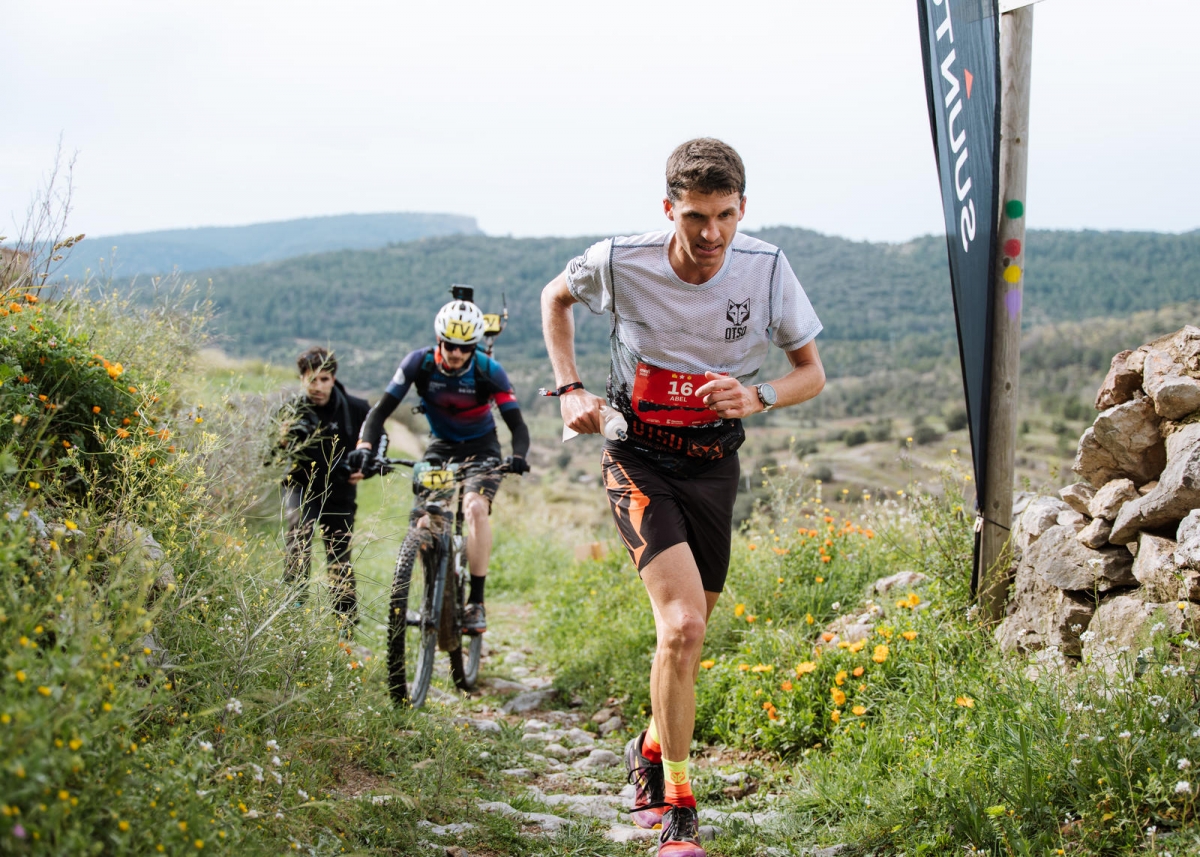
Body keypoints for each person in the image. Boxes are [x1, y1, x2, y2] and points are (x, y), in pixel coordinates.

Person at [540, 138, 824, 856]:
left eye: (725, 216)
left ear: (743, 209)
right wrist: (571, 386)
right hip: (636, 456)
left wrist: (755, 396)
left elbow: (810, 373)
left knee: (693, 635)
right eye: (695, 216)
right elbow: (556, 296)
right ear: (669, 209)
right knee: (682, 628)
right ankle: (679, 810)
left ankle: (647, 745)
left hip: (713, 465)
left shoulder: (767, 268)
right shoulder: (621, 259)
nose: (711, 235)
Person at [350, 297, 530, 634]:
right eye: (449, 345)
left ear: (474, 346)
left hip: (482, 449)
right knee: (423, 516)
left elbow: (517, 426)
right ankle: (431, 581)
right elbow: (379, 412)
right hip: (440, 447)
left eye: (465, 348)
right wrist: (364, 447)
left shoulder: (489, 371)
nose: (456, 354)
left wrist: (518, 456)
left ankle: (476, 601)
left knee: (475, 507)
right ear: (439, 340)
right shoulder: (418, 364)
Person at [277, 346, 373, 632]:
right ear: (301, 378)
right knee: (299, 538)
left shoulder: (357, 408)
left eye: (324, 379)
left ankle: (345, 629)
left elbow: (377, 443)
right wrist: (281, 441)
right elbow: (269, 457)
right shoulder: (290, 409)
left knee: (338, 556)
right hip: (300, 484)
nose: (317, 386)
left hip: (340, 489)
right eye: (311, 379)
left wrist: (364, 470)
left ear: (333, 379)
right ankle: (290, 619)